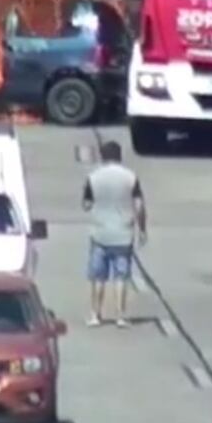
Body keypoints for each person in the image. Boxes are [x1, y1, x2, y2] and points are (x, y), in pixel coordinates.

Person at [82, 140, 147, 328]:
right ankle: (120, 315)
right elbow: (139, 205)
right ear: (120, 156)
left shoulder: (93, 177)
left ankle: (95, 314)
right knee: (121, 277)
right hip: (123, 234)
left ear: (102, 156)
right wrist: (142, 228)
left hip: (99, 233)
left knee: (98, 277)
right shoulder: (131, 177)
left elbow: (86, 204)